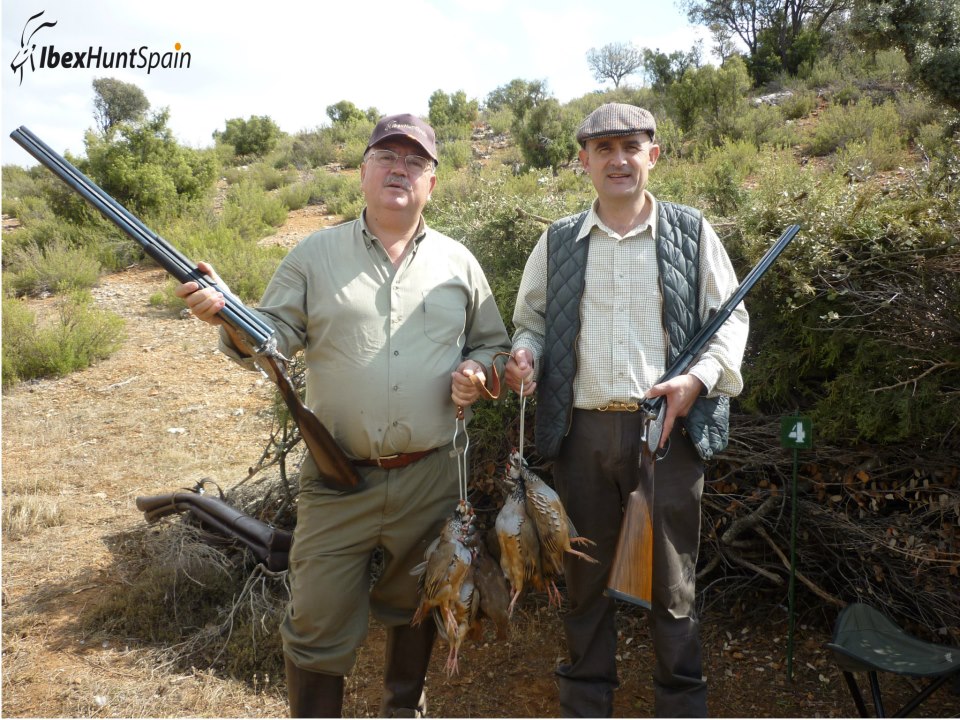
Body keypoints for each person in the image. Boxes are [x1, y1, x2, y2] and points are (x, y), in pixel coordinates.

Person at [176, 113, 511, 718]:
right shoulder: (314, 254)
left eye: (416, 162)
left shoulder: (459, 263)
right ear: (363, 172)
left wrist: (479, 373)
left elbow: (492, 344)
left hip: (430, 479)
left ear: (432, 183)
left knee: (421, 600)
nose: (400, 169)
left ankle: (402, 710)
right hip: (337, 478)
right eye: (387, 156)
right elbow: (271, 334)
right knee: (315, 617)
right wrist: (228, 317)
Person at [505, 103, 749, 718]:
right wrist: (524, 357)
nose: (618, 160)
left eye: (631, 147)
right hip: (580, 434)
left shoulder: (691, 233)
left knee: (673, 586)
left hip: (666, 433)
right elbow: (530, 322)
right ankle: (586, 705)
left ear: (653, 155)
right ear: (583, 160)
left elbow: (730, 321)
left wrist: (696, 380)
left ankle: (681, 706)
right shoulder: (557, 241)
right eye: (604, 148)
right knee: (584, 583)